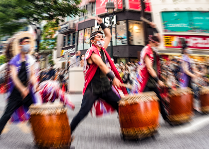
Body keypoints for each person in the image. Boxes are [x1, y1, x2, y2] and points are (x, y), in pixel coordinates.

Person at [70, 17, 127, 133]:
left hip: (105, 87)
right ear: (92, 41)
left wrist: (102, 24)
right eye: (98, 37)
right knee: (83, 112)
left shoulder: (102, 49)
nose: (101, 38)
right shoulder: (91, 52)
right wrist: (113, 78)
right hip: (93, 89)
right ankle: (66, 134)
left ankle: (127, 130)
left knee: (121, 106)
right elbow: (101, 65)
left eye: (102, 37)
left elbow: (109, 35)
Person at [0, 37, 38, 135]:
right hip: (16, 92)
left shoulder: (30, 60)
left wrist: (36, 85)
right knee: (7, 114)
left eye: (29, 43)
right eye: (25, 42)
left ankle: (39, 133)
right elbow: (14, 77)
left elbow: (32, 75)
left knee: (34, 112)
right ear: (20, 46)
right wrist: (22, 89)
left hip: (27, 92)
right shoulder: (14, 60)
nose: (27, 45)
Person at [133, 35, 170, 123]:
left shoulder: (153, 51)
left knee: (159, 100)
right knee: (142, 102)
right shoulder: (147, 50)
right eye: (156, 45)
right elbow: (149, 68)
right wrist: (158, 80)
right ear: (151, 42)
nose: (157, 47)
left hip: (151, 81)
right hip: (145, 81)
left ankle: (166, 118)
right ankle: (138, 121)